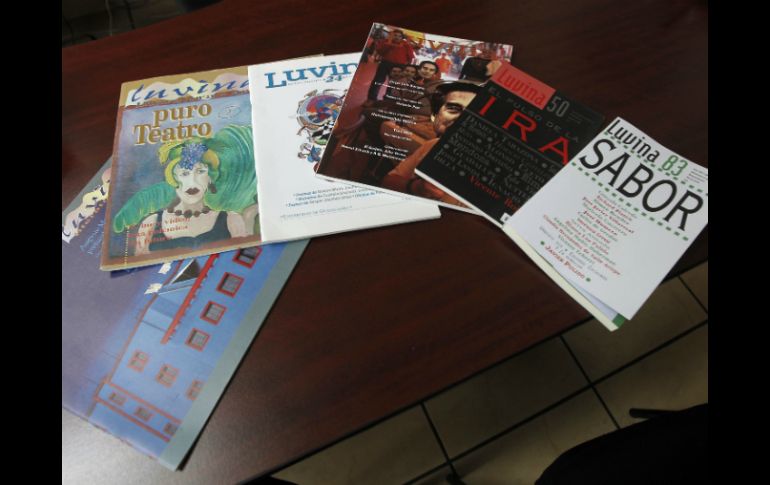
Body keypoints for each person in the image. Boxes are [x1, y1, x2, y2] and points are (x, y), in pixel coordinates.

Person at [111, 125, 259, 255]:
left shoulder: (231, 219)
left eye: (200, 172)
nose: (193, 182)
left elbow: (247, 256)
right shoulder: (151, 223)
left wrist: (249, 217)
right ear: (174, 178)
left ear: (210, 178)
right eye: (184, 173)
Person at [381, 80, 480, 206]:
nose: (462, 118)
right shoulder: (432, 145)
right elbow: (388, 182)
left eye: (473, 113)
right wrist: (416, 187)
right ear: (434, 115)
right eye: (453, 109)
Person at [367, 29, 415, 100]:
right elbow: (380, 52)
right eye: (395, 35)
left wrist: (407, 67)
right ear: (391, 36)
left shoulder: (406, 45)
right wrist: (389, 45)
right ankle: (371, 98)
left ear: (402, 37)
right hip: (385, 64)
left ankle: (387, 99)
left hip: (399, 66)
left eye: (399, 36)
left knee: (393, 84)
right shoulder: (386, 42)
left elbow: (410, 57)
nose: (397, 37)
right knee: (378, 81)